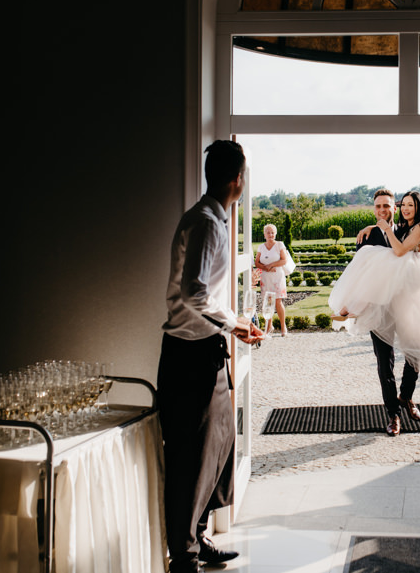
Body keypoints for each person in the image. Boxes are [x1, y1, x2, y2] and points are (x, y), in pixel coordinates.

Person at [157, 140, 263, 573]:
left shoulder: (211, 218)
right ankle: (182, 555)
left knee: (218, 445)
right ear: (237, 179)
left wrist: (230, 325)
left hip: (206, 349)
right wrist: (234, 323)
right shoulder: (206, 223)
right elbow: (195, 292)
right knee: (190, 454)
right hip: (190, 355)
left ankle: (197, 538)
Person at [333, 190, 420, 436]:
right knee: (384, 363)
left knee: (417, 353)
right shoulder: (366, 238)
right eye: (378, 207)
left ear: (394, 207)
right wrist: (354, 305)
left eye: (387, 206)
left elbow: (406, 251)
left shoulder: (404, 229)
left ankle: (407, 396)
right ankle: (393, 414)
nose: (383, 210)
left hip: (407, 304)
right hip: (377, 309)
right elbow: (361, 274)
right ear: (374, 209)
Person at [254, 223, 289, 336]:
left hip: (277, 277)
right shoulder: (261, 247)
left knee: (278, 301)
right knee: (268, 302)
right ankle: (269, 326)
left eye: (272, 232)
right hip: (266, 277)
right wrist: (266, 268)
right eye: (268, 232)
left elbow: (284, 260)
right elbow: (257, 262)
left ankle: (283, 327)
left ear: (275, 234)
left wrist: (272, 265)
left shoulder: (279, 245)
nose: (270, 234)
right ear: (264, 234)